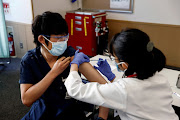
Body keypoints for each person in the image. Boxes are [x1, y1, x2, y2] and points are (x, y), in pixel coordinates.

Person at [65, 28, 179, 120]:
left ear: (125, 64)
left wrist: (75, 64)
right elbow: (132, 94)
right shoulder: (161, 79)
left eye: (114, 57)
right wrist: (112, 77)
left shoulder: (125, 90)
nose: (113, 60)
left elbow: (75, 89)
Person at [19, 11, 88, 120]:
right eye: (58, 38)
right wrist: (53, 73)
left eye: (65, 37)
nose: (63, 42)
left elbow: (98, 82)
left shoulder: (70, 54)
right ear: (42, 39)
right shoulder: (30, 60)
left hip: (70, 110)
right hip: (43, 111)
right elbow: (26, 100)